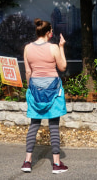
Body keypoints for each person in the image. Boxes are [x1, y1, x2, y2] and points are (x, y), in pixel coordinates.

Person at [21, 18, 68, 174]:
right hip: (53, 88)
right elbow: (62, 67)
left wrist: (31, 89)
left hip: (35, 87)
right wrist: (61, 47)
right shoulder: (54, 47)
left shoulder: (27, 48)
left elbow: (28, 71)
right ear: (49, 33)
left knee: (34, 124)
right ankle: (56, 164)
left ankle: (27, 161)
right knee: (53, 125)